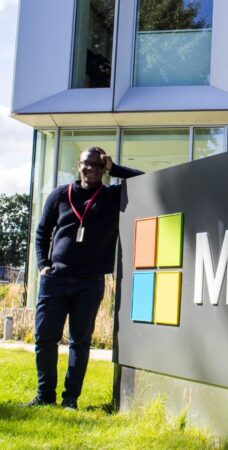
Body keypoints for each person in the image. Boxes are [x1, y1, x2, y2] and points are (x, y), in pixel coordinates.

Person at [24, 147, 143, 409]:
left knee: (80, 341)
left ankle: (70, 400)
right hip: (54, 279)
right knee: (44, 338)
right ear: (79, 166)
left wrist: (115, 167)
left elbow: (142, 179)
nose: (90, 169)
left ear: (103, 168)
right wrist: (43, 265)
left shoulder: (112, 196)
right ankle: (45, 396)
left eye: (96, 165)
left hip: (89, 283)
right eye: (85, 164)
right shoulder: (60, 195)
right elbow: (42, 232)